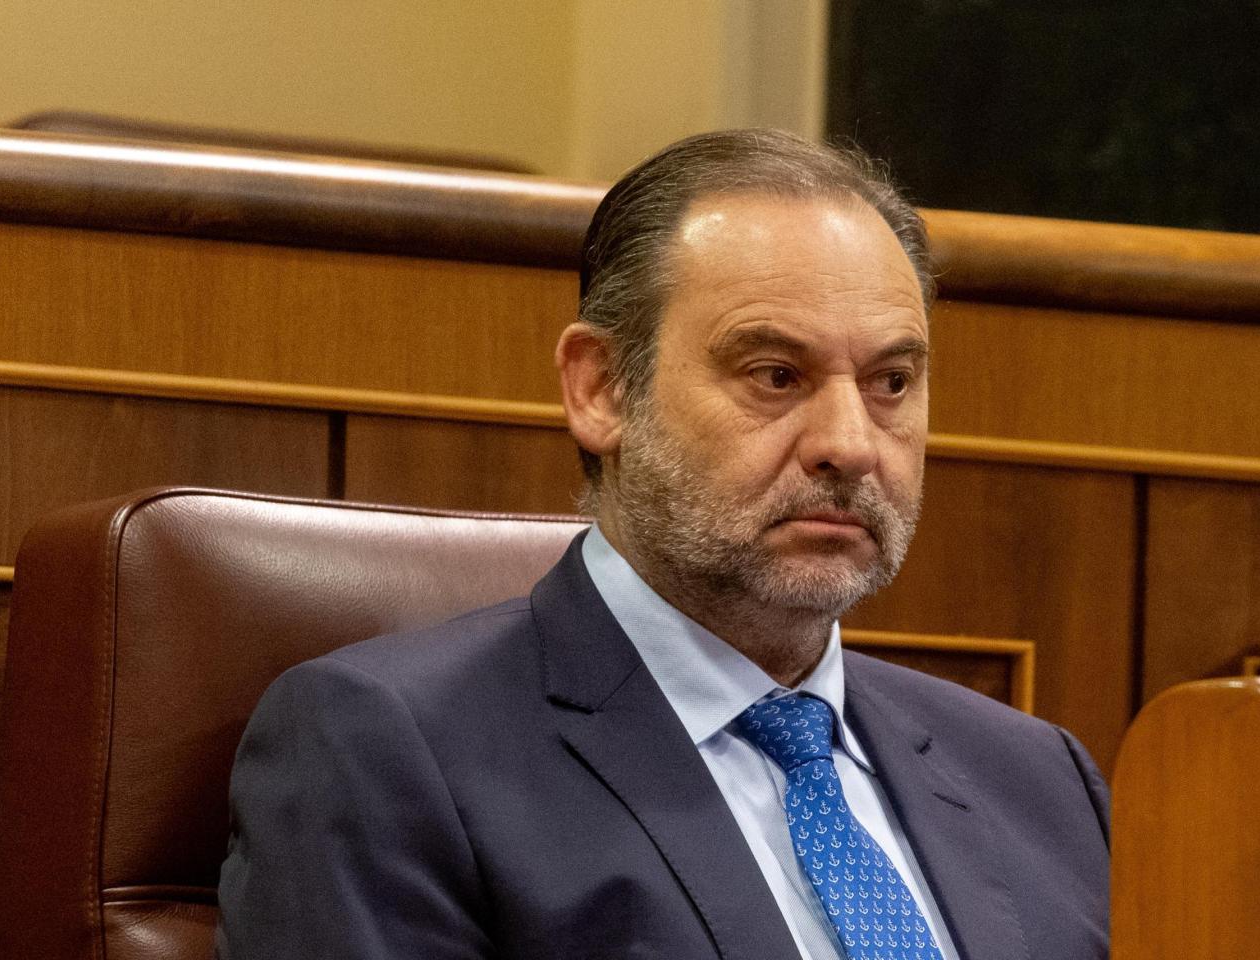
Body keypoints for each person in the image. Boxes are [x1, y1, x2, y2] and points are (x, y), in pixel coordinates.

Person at [216, 129, 1110, 960]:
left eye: (891, 381)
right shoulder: (387, 751)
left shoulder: (1040, 780)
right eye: (775, 374)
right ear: (602, 389)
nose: (850, 441)